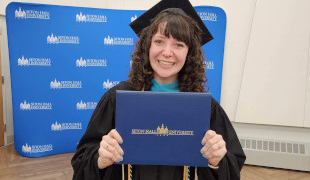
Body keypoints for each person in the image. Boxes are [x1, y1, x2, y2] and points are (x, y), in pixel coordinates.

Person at [71, 0, 246, 179]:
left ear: (189, 53)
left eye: (179, 44)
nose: (167, 52)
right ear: (148, 46)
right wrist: (100, 158)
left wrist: (216, 160)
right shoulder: (117, 99)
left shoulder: (204, 107)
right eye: (159, 41)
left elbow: (233, 163)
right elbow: (82, 160)